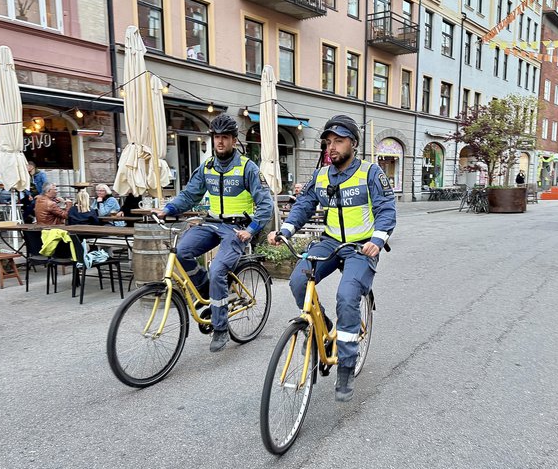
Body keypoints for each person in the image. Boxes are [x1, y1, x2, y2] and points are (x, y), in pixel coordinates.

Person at [268, 115, 396, 403]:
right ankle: (322, 330)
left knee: (347, 296)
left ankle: (346, 366)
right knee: (298, 282)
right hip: (329, 242)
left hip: (361, 247)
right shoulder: (322, 175)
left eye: (338, 141)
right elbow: (303, 205)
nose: (332, 147)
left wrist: (378, 239)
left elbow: (387, 209)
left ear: (353, 143)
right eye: (328, 142)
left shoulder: (371, 174)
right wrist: (285, 229)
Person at [155, 114, 273, 352]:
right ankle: (208, 290)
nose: (220, 142)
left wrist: (251, 230)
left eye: (225, 138)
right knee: (181, 253)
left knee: (218, 268)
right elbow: (190, 195)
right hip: (211, 223)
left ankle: (220, 327)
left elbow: (266, 205)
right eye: (217, 137)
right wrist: (168, 208)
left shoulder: (247, 168)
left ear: (233, 140)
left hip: (237, 228)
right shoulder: (207, 167)